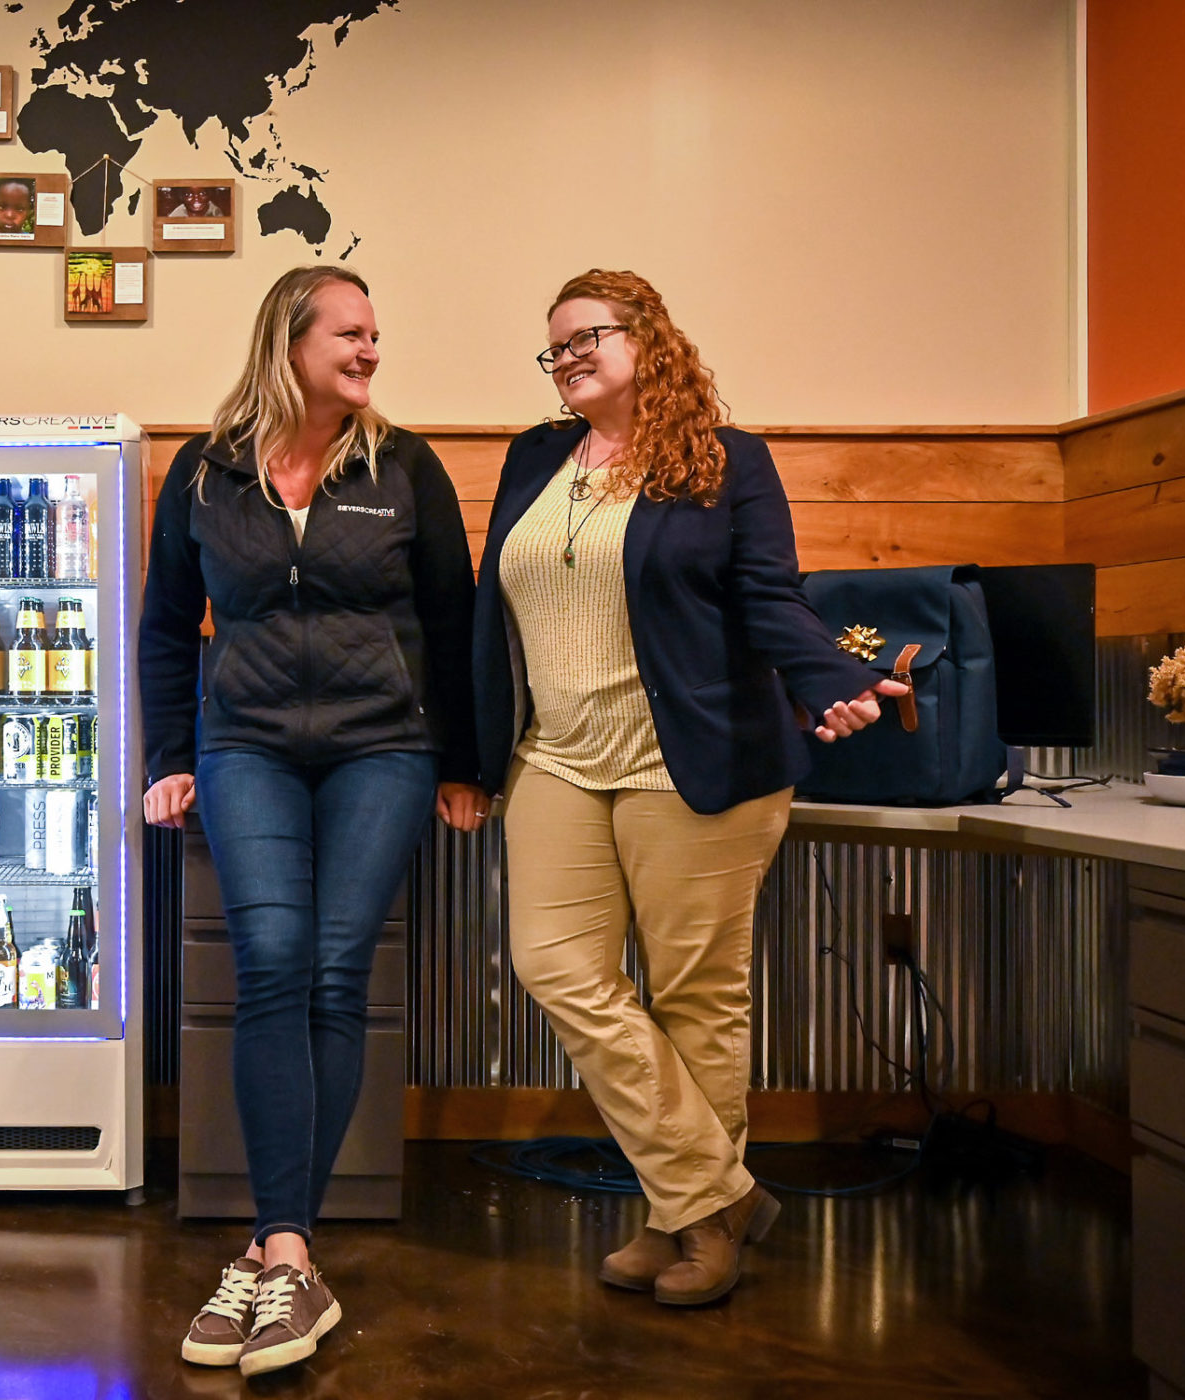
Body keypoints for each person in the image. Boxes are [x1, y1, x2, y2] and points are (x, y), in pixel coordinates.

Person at [469, 269, 905, 1306]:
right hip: (557, 758)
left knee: (696, 998)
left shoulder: (724, 461)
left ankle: (685, 1226)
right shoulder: (536, 456)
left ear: (648, 339)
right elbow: (496, 610)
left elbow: (768, 596)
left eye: (590, 336)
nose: (570, 356)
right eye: (556, 346)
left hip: (692, 759)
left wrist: (830, 677)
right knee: (555, 965)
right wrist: (472, 751)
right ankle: (720, 1194)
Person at [140, 265, 484, 1377]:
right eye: (351, 332)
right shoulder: (204, 471)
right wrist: (170, 754)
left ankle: (272, 1246)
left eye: (377, 334)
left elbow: (453, 616)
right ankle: (287, 1248)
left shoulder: (405, 466)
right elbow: (162, 625)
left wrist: (464, 762)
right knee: (273, 962)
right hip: (246, 744)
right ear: (288, 341)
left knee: (339, 969)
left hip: (383, 745)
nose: (372, 349)